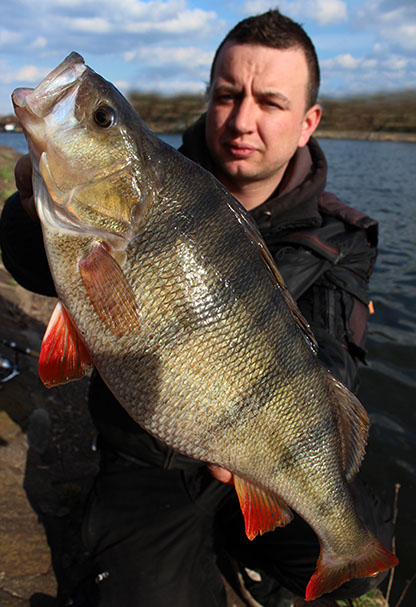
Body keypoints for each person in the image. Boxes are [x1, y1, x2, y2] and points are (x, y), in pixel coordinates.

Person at [0, 9, 394, 607]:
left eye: (270, 101)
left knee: (362, 550)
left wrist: (266, 435)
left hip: (260, 444)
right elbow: (35, 270)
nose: (243, 119)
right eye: (228, 94)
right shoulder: (158, 184)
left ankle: (266, 548)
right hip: (149, 460)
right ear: (208, 97)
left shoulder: (342, 236)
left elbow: (335, 351)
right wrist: (31, 214)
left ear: (309, 121)